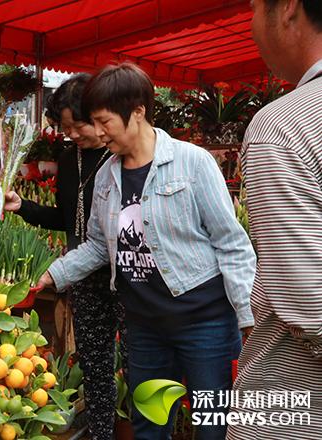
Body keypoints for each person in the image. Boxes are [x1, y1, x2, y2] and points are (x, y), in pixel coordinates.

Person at [37, 63, 256, 440]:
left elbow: (231, 243)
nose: (98, 132)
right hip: (145, 328)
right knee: (150, 427)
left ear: (137, 111)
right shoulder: (107, 176)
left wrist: (248, 317)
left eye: (105, 121)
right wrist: (53, 275)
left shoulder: (192, 163)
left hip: (203, 325)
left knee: (212, 426)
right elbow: (97, 246)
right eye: (95, 122)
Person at [0, 73, 122, 440]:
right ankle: (101, 432)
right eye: (66, 128)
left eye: (79, 125)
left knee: (134, 361)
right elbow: (65, 219)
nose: (73, 134)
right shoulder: (68, 160)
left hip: (124, 274)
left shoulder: (120, 157)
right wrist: (23, 206)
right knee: (94, 363)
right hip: (83, 273)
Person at [228, 1, 322, 438]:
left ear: (288, 8)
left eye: (252, 7)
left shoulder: (283, 128)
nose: (250, 25)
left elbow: (307, 301)